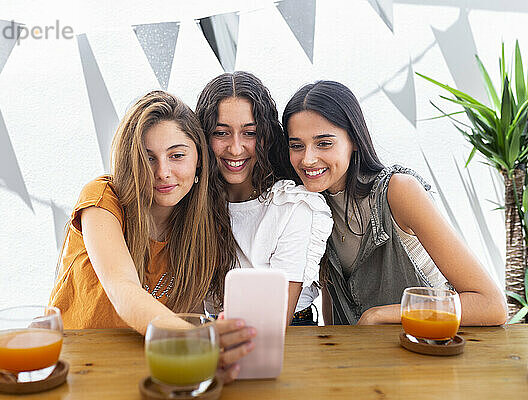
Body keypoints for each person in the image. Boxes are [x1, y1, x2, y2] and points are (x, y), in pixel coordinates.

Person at [49, 91, 254, 382]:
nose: (163, 172)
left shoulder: (204, 228)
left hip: (144, 369)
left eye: (177, 155)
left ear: (199, 160)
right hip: (73, 364)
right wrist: (201, 342)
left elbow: (185, 316)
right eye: (148, 158)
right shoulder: (102, 200)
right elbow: (124, 288)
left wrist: (205, 358)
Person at [281, 80, 507, 326]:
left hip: (427, 350)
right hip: (362, 359)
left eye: (324, 143)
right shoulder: (309, 206)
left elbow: (490, 305)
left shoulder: (399, 190)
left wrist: (379, 315)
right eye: (296, 146)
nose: (308, 159)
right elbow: (332, 302)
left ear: (354, 140)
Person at [195, 72, 333, 325]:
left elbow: (274, 320)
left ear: (266, 137)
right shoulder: (195, 202)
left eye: (249, 133)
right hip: (214, 333)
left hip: (287, 336)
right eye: (221, 133)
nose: (235, 148)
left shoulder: (292, 206)